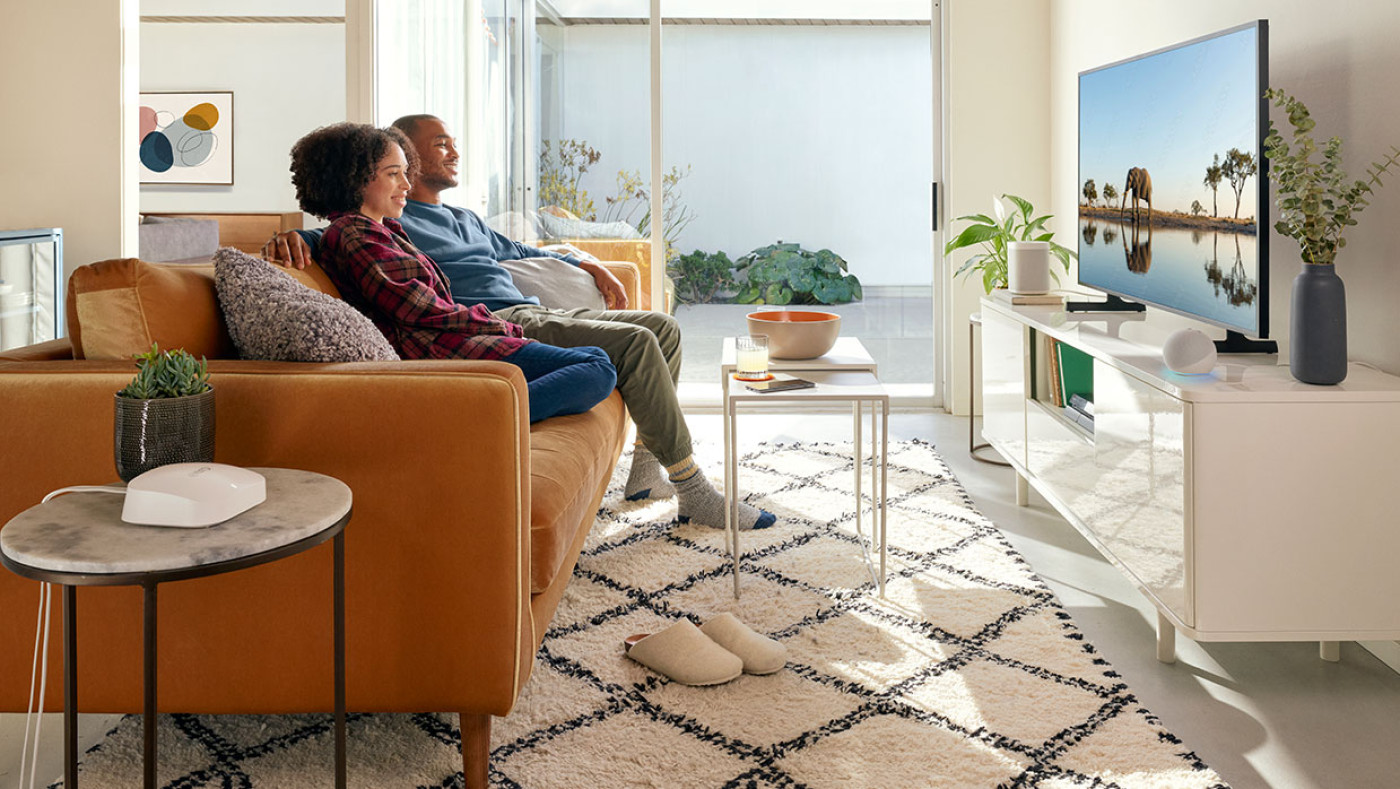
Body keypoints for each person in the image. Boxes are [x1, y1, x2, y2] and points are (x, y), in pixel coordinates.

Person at [268, 115, 774, 531]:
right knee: (635, 346)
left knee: (663, 327)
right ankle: (692, 487)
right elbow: (341, 241)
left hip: (522, 313)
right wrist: (289, 240)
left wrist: (584, 261)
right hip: (488, 326)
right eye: (436, 146)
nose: (451, 153)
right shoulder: (385, 224)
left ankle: (645, 473)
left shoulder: (455, 219)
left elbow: (520, 250)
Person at [288, 122, 616, 424]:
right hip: (438, 351)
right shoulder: (354, 233)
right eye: (393, 174)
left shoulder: (385, 229)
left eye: (405, 172)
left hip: (453, 342)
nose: (405, 183)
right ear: (355, 179)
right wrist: (498, 325)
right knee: (597, 367)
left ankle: (498, 406)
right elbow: (420, 310)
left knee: (595, 358)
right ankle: (477, 419)